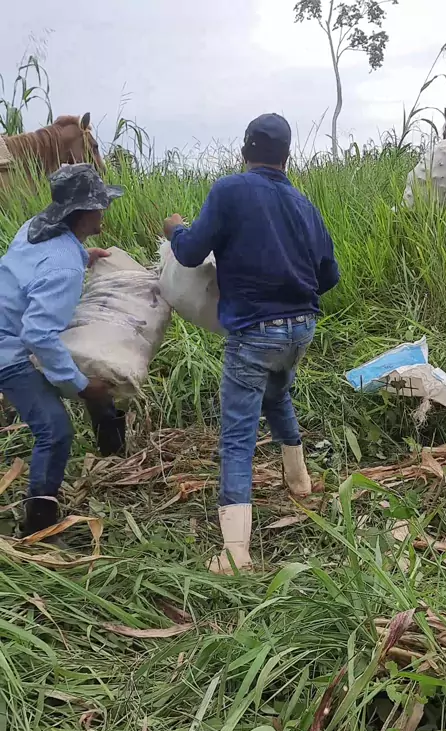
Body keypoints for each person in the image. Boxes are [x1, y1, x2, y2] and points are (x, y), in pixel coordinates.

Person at [164, 113, 340, 573]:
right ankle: (299, 481)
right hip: (301, 329)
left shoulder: (230, 190)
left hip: (254, 333)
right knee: (277, 394)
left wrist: (175, 229)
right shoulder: (304, 204)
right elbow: (328, 275)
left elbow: (190, 253)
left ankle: (235, 551)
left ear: (244, 152)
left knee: (238, 435)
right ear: (287, 157)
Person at [0, 163, 124, 536]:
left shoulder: (37, 227)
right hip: (9, 349)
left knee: (96, 369)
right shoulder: (64, 268)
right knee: (55, 430)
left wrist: (85, 257)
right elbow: (38, 335)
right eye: (100, 205)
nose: (104, 210)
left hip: (12, 326)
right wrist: (80, 386)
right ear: (83, 213)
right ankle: (38, 527)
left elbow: (37, 268)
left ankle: (113, 455)